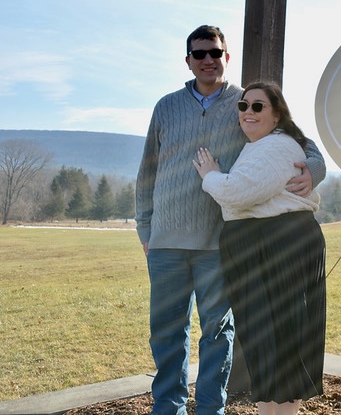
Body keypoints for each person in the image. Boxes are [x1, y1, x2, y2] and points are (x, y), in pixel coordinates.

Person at [135, 25, 326, 415]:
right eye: (199, 53)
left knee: (218, 334)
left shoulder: (248, 103)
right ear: (187, 61)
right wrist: (144, 226)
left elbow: (301, 142)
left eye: (215, 52)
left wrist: (314, 169)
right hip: (167, 240)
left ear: (227, 56)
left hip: (219, 241)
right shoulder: (166, 106)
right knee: (167, 333)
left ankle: (210, 409)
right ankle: (167, 408)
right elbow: (148, 171)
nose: (208, 59)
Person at [193, 81, 326, 415]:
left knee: (282, 340)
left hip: (278, 246)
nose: (248, 112)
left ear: (277, 113)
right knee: (264, 341)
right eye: (243, 106)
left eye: (258, 106)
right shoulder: (261, 146)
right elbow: (241, 198)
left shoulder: (277, 146)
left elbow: (239, 192)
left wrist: (211, 177)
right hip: (261, 248)